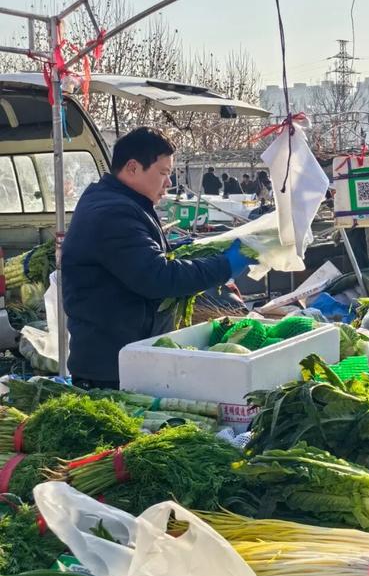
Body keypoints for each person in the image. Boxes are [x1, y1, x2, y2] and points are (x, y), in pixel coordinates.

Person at [62, 127, 254, 389]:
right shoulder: (113, 212)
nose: (169, 183)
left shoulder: (122, 202)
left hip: (124, 354)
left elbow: (140, 257)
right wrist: (224, 266)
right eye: (163, 173)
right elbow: (157, 277)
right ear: (132, 167)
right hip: (111, 365)